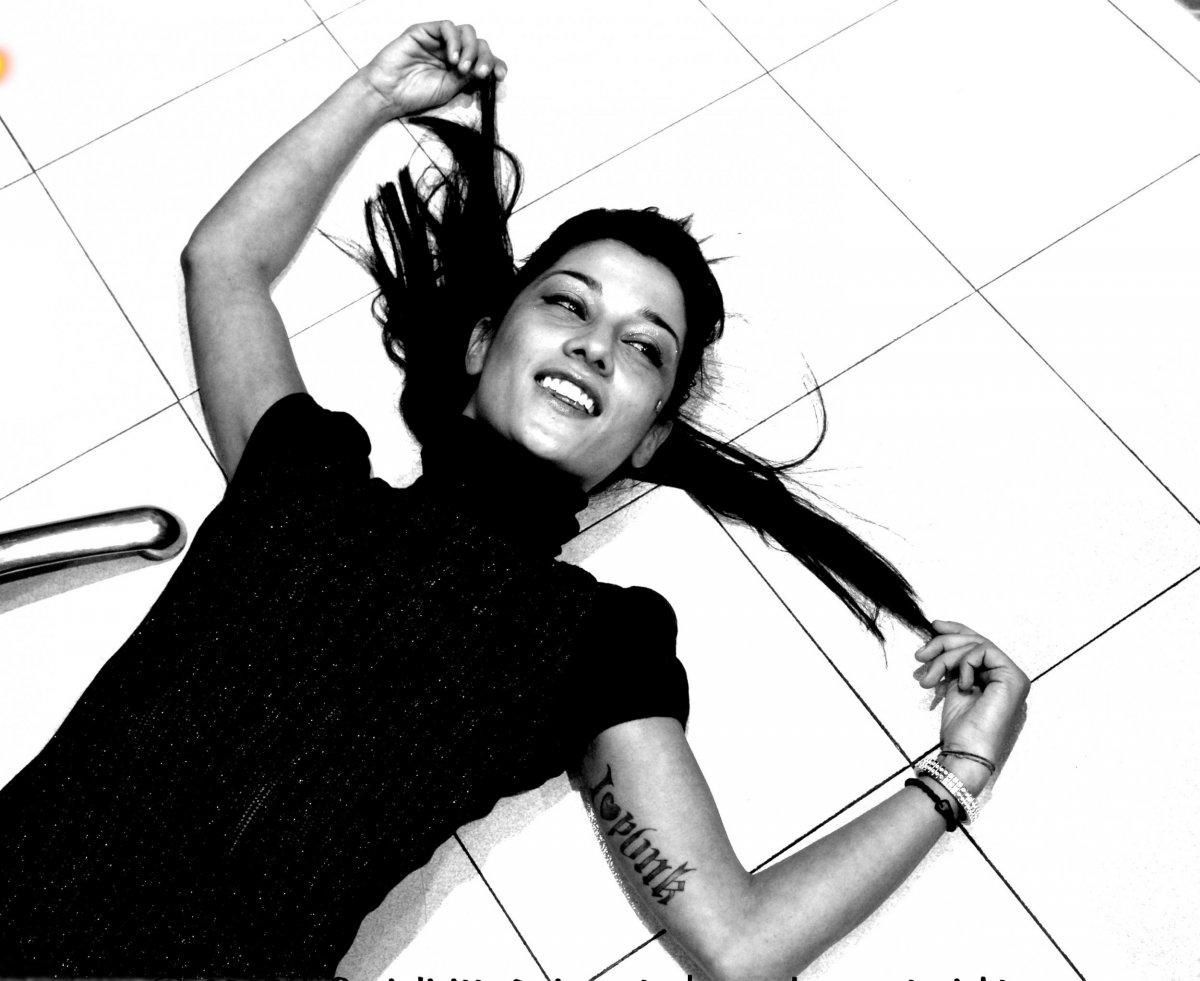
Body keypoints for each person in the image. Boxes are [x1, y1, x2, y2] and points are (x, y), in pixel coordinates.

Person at [0, 20, 1031, 980]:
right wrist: (372, 97)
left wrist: (962, 766)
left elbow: (738, 943)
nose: (595, 345)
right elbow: (223, 262)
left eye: (644, 349)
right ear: (484, 342)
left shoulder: (596, 644)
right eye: (568, 304)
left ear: (649, 438)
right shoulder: (301, 475)